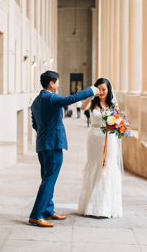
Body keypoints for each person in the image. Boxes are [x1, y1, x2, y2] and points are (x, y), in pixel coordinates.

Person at [28, 71, 96, 227]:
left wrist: (45, 133)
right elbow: (70, 99)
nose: (58, 85)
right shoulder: (50, 97)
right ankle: (36, 215)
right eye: (57, 82)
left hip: (44, 144)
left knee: (47, 178)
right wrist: (91, 90)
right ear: (51, 83)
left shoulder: (36, 101)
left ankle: (47, 210)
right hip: (52, 144)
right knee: (49, 180)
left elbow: (34, 124)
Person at [77, 78, 123, 218]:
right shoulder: (92, 102)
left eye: (104, 89)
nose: (102, 92)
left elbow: (118, 120)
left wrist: (116, 125)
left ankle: (105, 207)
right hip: (94, 137)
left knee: (108, 166)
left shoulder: (112, 105)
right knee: (95, 165)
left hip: (109, 139)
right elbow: (82, 108)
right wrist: (91, 95)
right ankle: (90, 205)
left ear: (108, 90)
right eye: (99, 89)